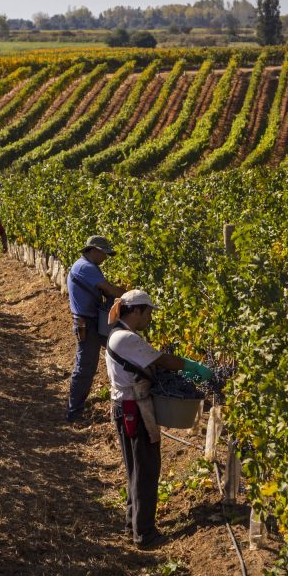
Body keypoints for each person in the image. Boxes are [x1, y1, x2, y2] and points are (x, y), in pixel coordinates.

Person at [104, 290, 212, 549]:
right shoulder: (125, 338)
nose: (150, 318)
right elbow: (161, 360)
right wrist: (192, 367)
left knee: (136, 468)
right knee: (145, 469)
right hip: (134, 410)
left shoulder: (121, 336)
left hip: (128, 407)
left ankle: (133, 524)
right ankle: (145, 534)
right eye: (148, 313)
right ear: (137, 311)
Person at [66, 235, 125, 422]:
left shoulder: (87, 266)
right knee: (85, 367)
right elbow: (109, 290)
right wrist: (130, 295)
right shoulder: (86, 267)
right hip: (88, 323)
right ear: (92, 250)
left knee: (119, 353)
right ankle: (74, 413)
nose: (105, 258)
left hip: (94, 321)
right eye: (104, 253)